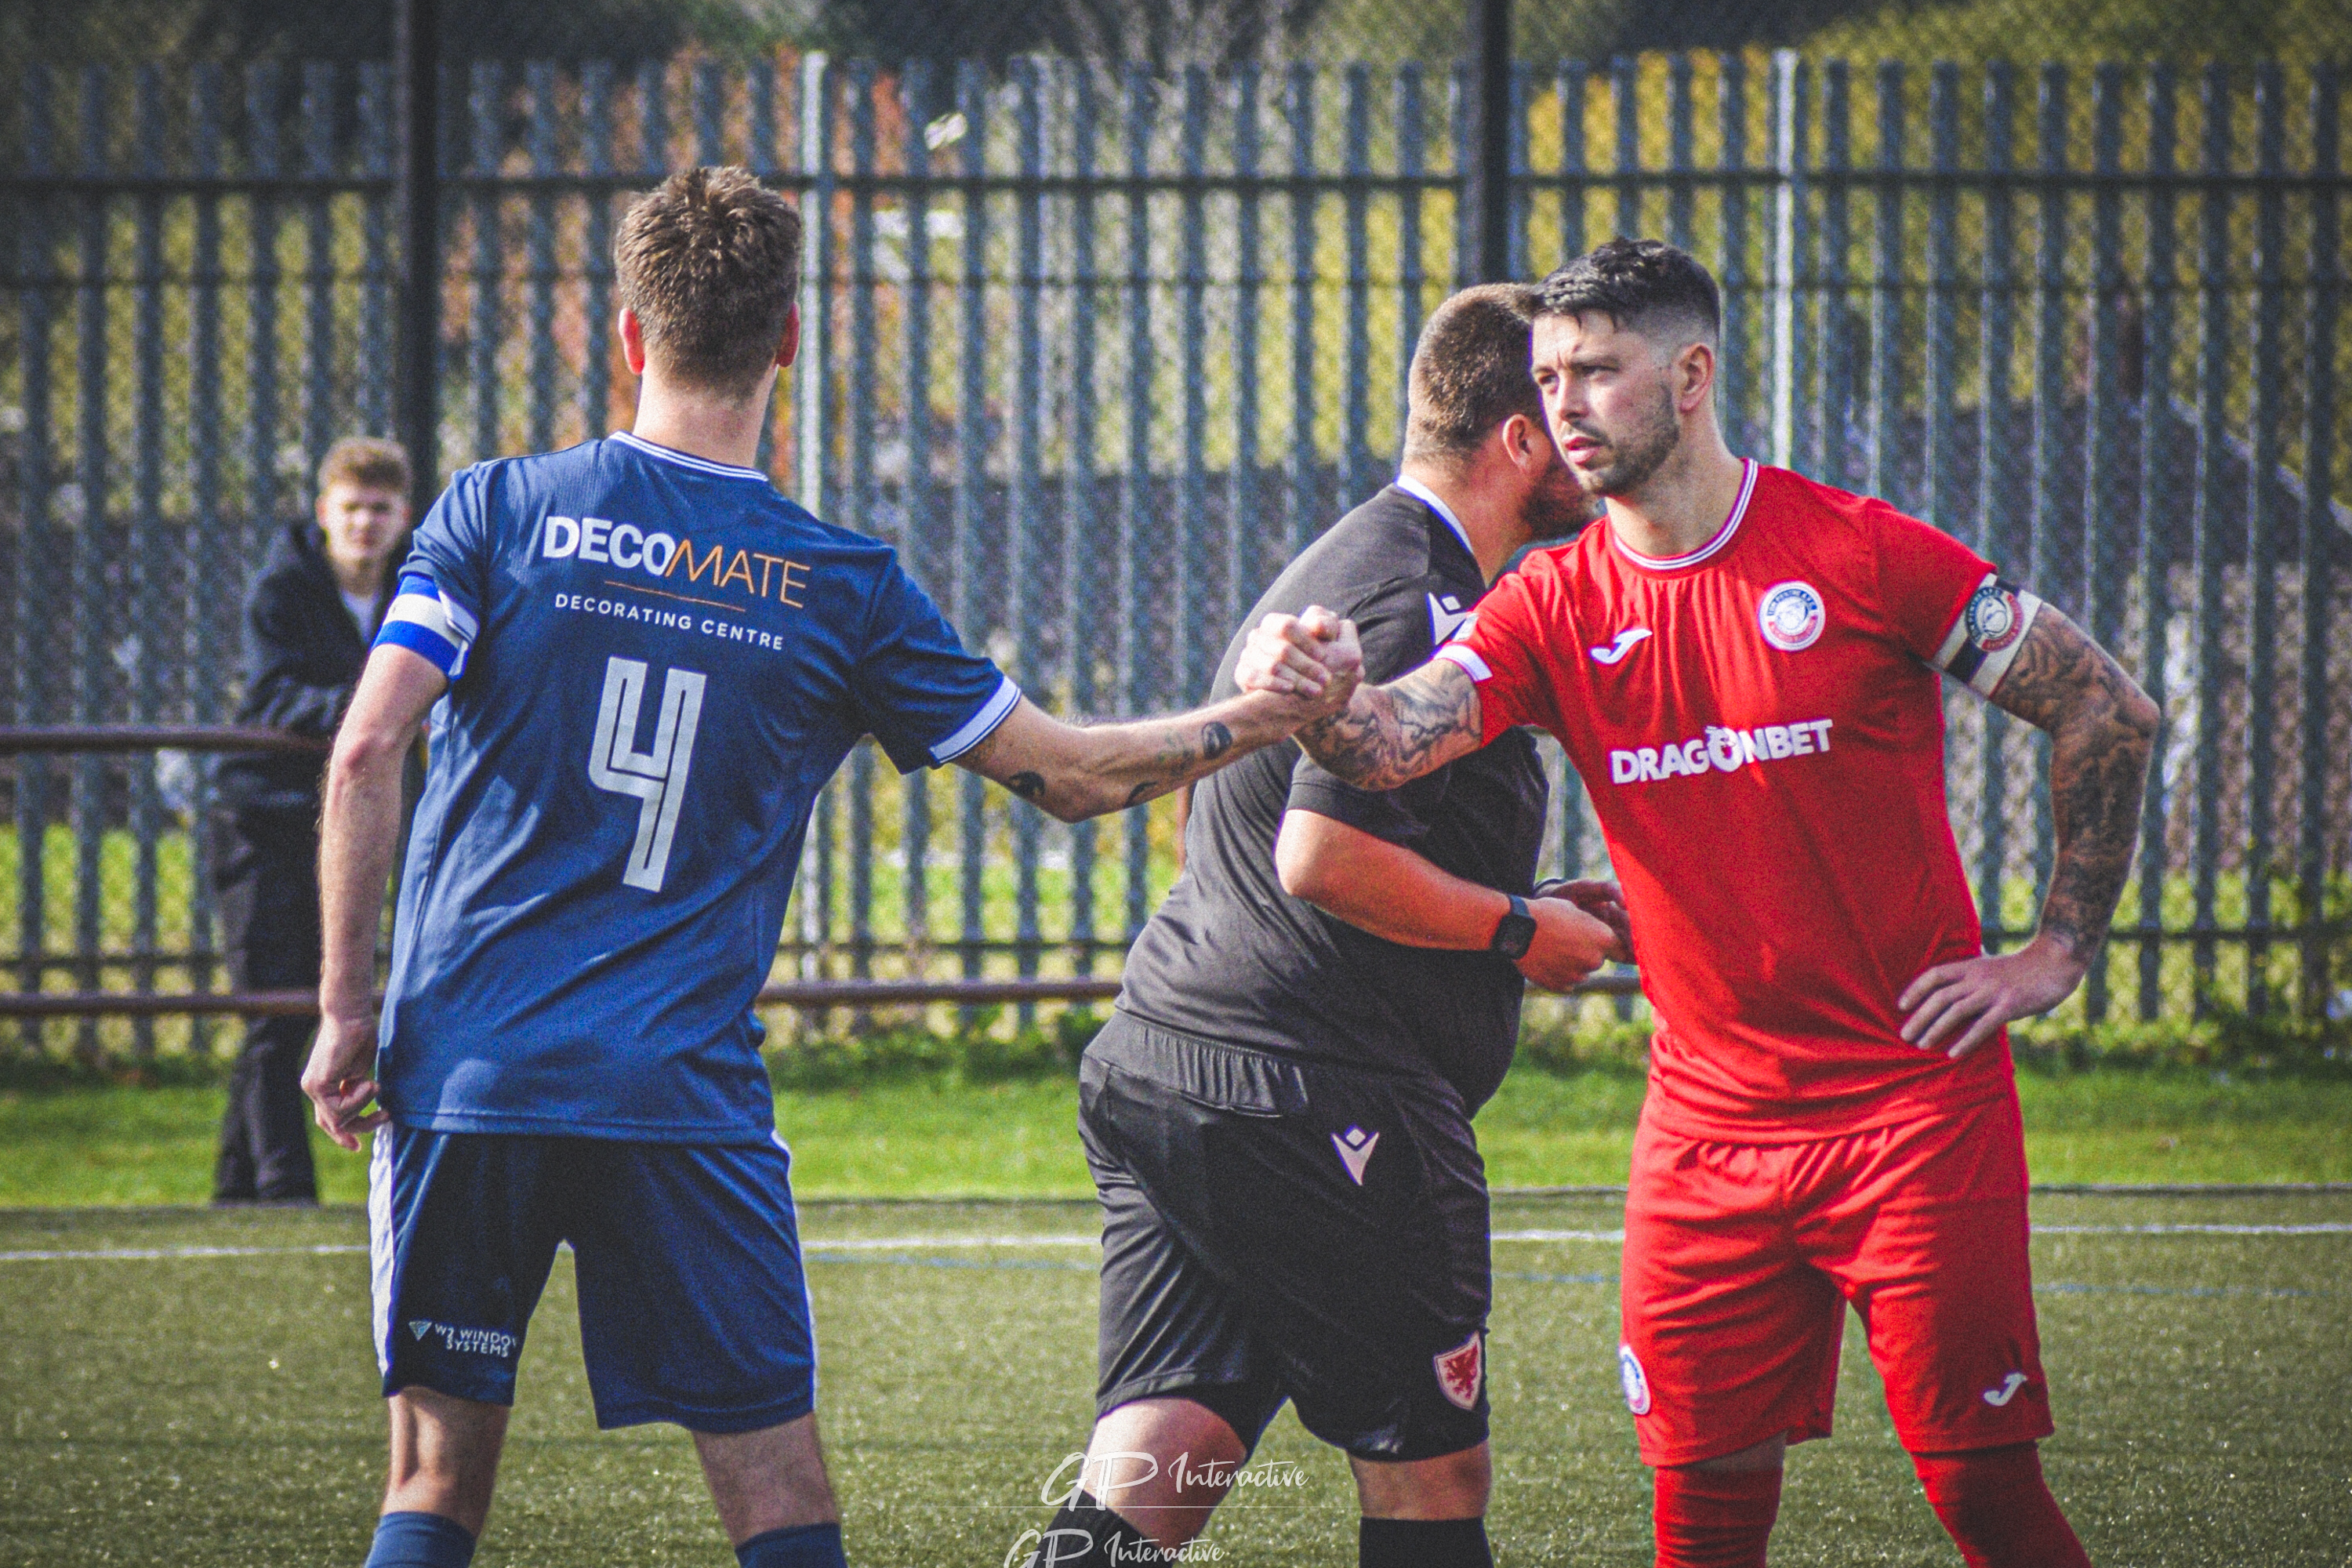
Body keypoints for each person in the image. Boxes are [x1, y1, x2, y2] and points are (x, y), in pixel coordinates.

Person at [299, 166, 1360, 1568]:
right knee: (780, 1501)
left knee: (433, 1485)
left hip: (469, 1074)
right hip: (678, 1097)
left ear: (628, 335)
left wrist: (345, 1012)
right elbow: (1075, 775)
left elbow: (366, 753)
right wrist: (1267, 719)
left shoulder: (498, 512)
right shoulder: (835, 584)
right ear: (790, 340)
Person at [1241, 238, 2158, 1568]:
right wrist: (1322, 698)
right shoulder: (1546, 604)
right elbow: (1393, 744)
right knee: (1701, 1518)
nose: (1566, 404)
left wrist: (2056, 951)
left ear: (1691, 374)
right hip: (1705, 1136)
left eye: (1599, 371)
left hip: (1911, 1111)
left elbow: (2105, 705)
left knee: (1983, 1498)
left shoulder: (1859, 550)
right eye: (1551, 375)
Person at [1014, 285, 1628, 1568]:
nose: (1587, 435)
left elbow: (1339, 837)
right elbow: (1321, 855)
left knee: (1163, 1460)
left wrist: (1519, 896)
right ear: (1516, 438)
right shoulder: (1420, 597)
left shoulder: (1371, 561)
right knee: (1432, 1473)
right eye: (1565, 403)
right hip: (1307, 1096)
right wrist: (1521, 935)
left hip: (1172, 1066)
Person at [209, 436, 412, 1204]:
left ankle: (234, 1192)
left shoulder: (409, 583)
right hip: (263, 817)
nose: (365, 524)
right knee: (276, 1008)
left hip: (345, 823)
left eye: (380, 509)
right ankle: (284, 1189)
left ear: (403, 515)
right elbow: (268, 697)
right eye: (351, 508)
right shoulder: (284, 587)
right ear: (325, 511)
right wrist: (373, 710)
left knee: (291, 1011)